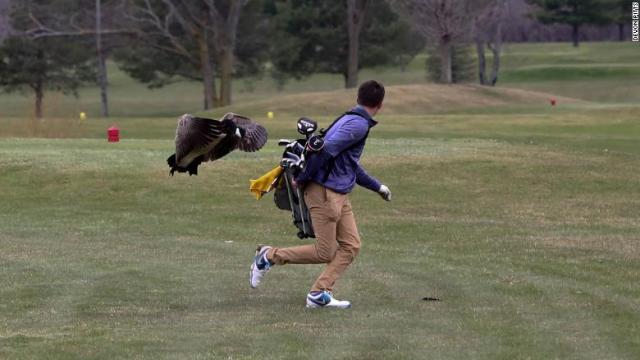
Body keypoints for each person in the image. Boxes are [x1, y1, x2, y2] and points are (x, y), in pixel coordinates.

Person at [249, 80, 391, 309]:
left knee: (351, 246)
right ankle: (268, 256)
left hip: (338, 194)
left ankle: (318, 293)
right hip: (325, 193)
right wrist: (301, 179)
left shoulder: (350, 119)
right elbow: (322, 151)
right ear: (380, 104)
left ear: (358, 98)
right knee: (325, 251)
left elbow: (349, 165)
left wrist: (378, 187)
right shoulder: (357, 125)